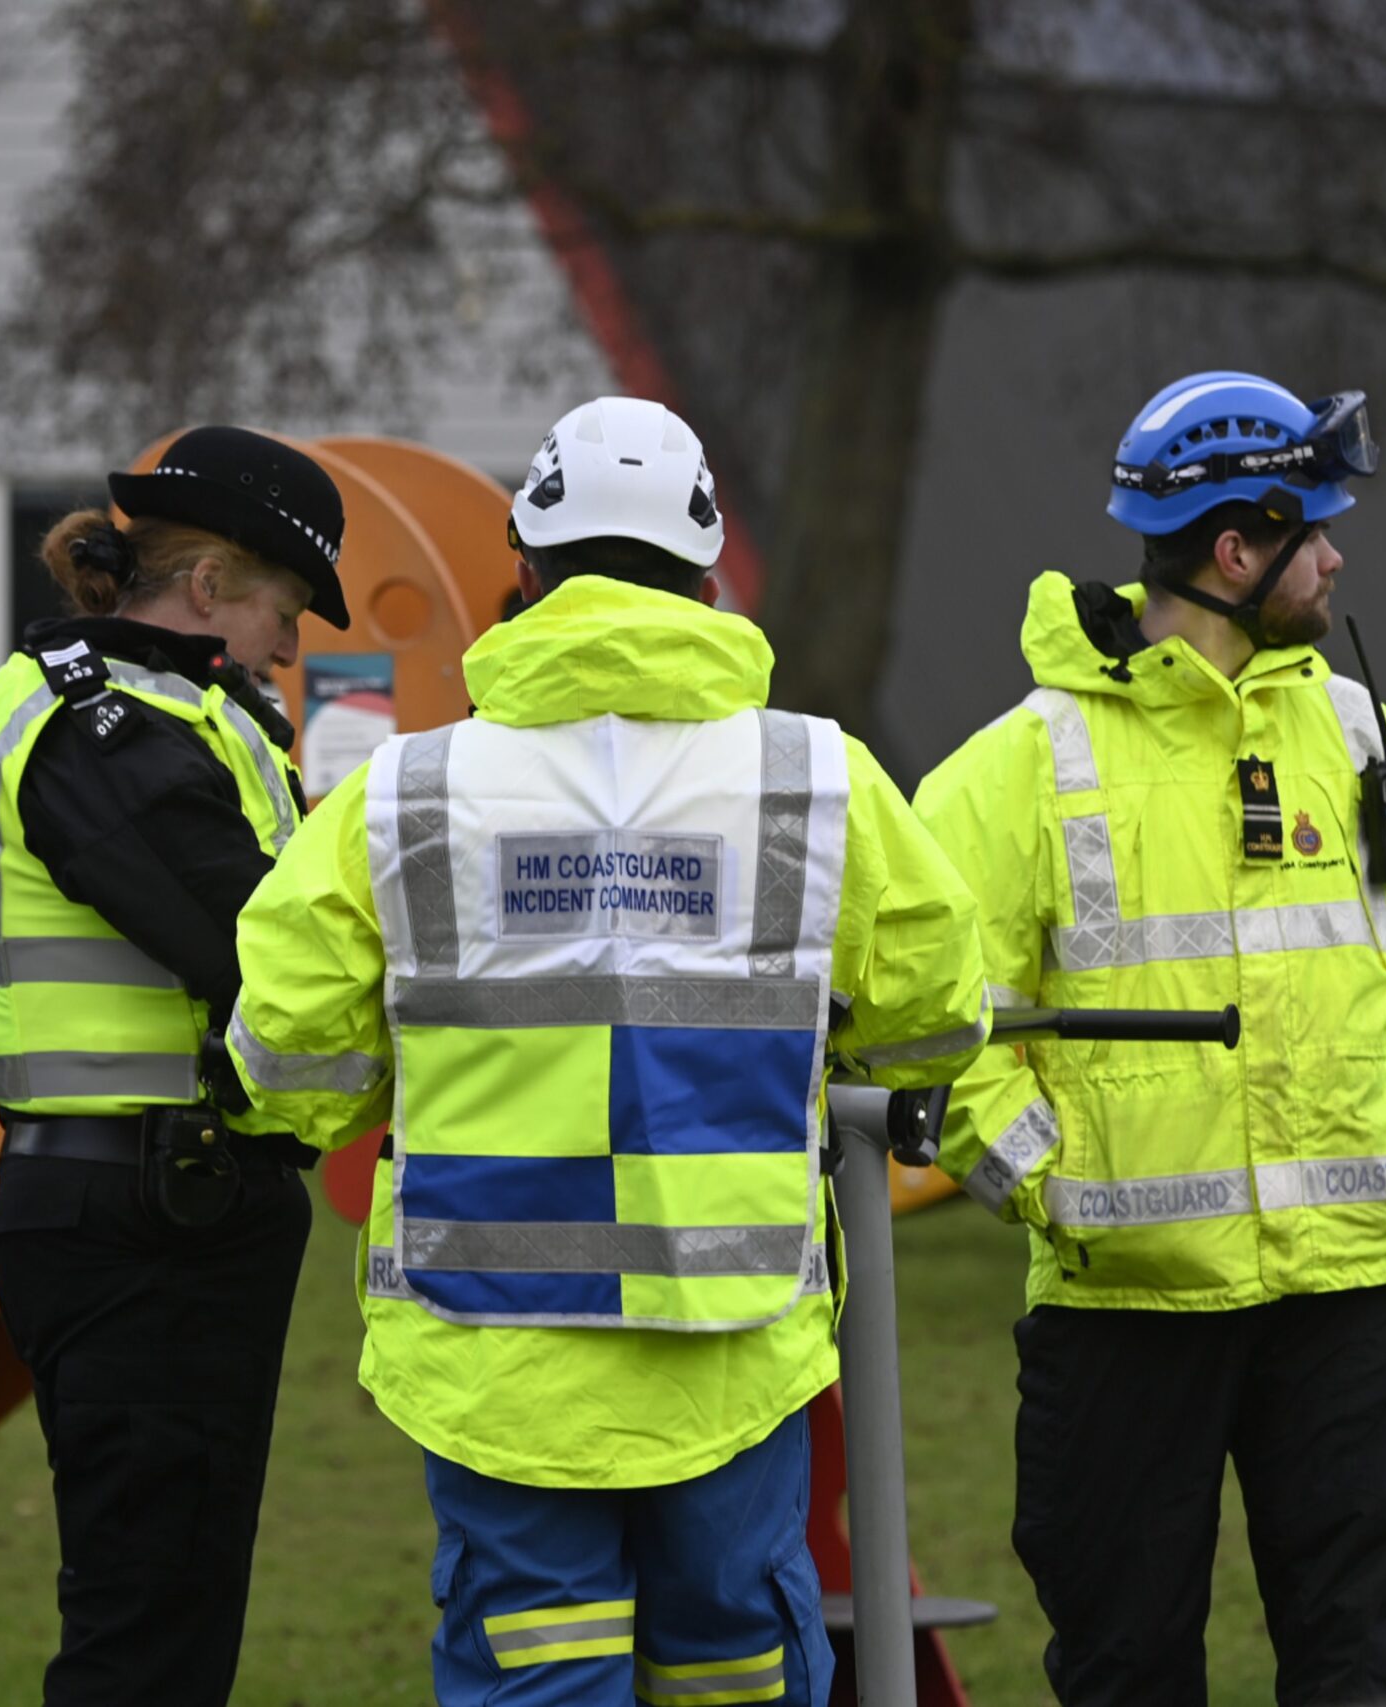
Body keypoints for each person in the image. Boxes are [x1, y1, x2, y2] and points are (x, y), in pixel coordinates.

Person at [216, 396, 990, 1706]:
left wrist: (379, 1086)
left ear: (522, 567)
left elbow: (282, 1056)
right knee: (734, 1664)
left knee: (535, 1669)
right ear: (705, 574)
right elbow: (937, 1013)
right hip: (731, 1337)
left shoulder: (402, 794)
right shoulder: (819, 779)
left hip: (491, 1344)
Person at [913, 371, 1386, 1707]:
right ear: (1237, 548)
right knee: (1126, 1663)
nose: (1339, 550)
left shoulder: (1362, 736)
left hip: (1344, 1298)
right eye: (1315, 525)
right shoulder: (1022, 767)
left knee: (1355, 1654)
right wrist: (1051, 1179)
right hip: (1126, 1306)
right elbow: (924, 1010)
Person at [0, 425, 348, 1705]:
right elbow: (254, 942)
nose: (288, 647)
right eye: (283, 609)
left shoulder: (167, 710)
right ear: (214, 580)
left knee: (171, 1606)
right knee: (146, 1630)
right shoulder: (101, 725)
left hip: (164, 1200)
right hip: (140, 1215)